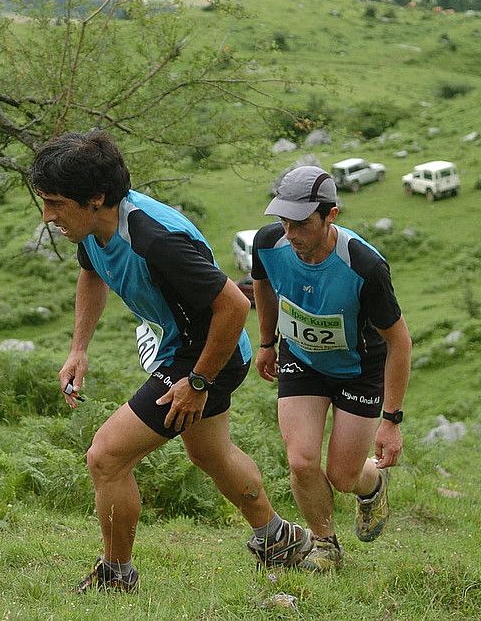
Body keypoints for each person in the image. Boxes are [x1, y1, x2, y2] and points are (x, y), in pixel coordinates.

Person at [29, 131, 313, 593]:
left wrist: (198, 381)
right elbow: (91, 272)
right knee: (210, 453)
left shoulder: (155, 239)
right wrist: (78, 348)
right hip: (182, 347)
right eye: (45, 202)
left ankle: (116, 575)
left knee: (106, 457)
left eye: (57, 203)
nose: (48, 216)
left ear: (96, 198)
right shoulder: (93, 226)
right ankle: (278, 538)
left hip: (206, 354)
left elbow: (234, 307)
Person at [251, 165, 412, 572]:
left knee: (342, 476)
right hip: (301, 361)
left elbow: (400, 341)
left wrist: (391, 421)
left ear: (331, 215)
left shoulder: (365, 267)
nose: (291, 234)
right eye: (284, 222)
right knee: (302, 460)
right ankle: (325, 544)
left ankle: (372, 482)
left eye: (302, 224)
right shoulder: (268, 243)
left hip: (358, 370)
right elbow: (263, 284)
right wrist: (267, 342)